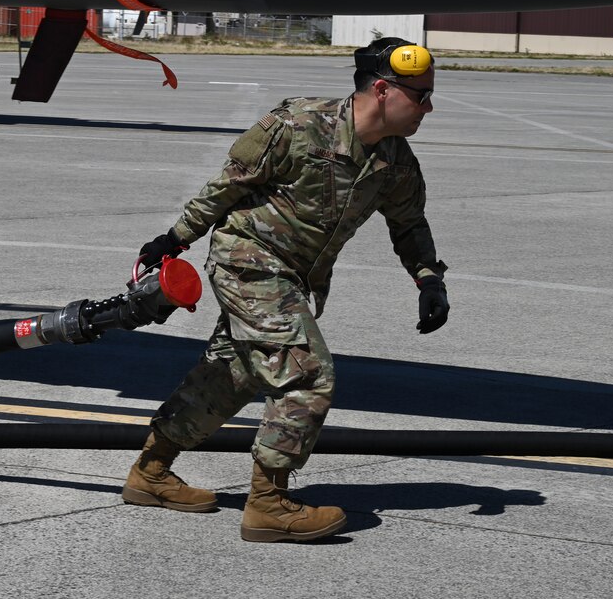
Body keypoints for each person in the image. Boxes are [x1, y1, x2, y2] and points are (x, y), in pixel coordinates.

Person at [123, 37, 450, 542]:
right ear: (383, 90)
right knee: (307, 374)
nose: (428, 107)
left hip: (295, 279)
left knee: (232, 374)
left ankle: (151, 472)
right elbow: (229, 183)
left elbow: (409, 225)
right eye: (421, 95)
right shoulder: (299, 123)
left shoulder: (396, 162)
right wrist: (175, 238)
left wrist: (428, 279)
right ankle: (269, 504)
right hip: (248, 259)